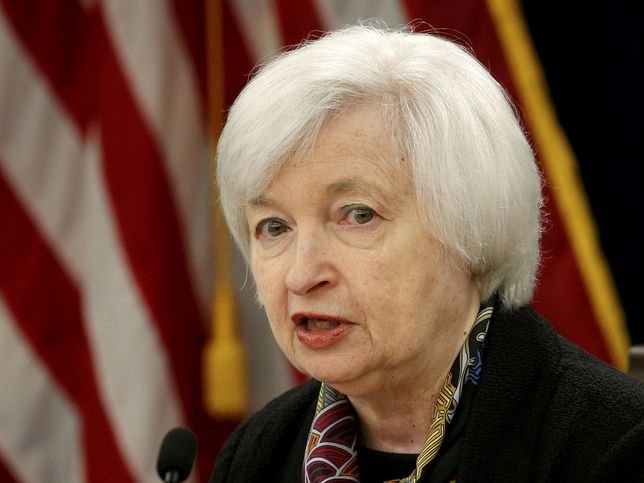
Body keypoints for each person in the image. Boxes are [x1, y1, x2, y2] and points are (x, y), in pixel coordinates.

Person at [210, 23, 644, 483]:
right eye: (274, 227)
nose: (301, 275)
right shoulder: (258, 454)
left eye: (357, 215)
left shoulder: (614, 448)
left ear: (469, 227)